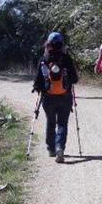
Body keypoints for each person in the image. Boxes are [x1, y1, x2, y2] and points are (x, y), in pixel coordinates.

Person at [32, 32, 79, 163]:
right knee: (62, 123)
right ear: (61, 43)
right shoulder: (66, 58)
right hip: (65, 96)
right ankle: (60, 148)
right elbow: (74, 79)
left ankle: (51, 149)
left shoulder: (44, 59)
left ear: (48, 43)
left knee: (50, 122)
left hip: (48, 97)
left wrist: (38, 87)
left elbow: (37, 80)